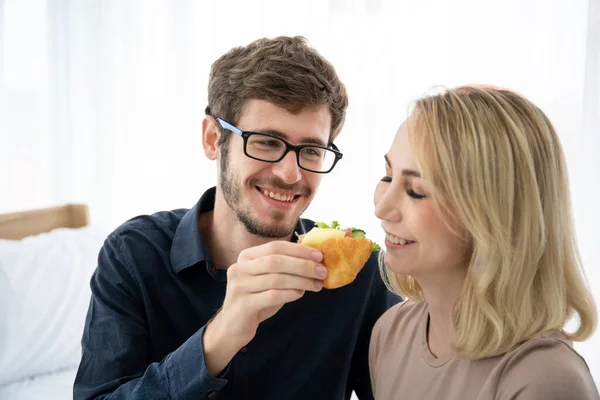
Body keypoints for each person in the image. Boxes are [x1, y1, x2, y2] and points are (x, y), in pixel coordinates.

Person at [74, 36, 399, 400]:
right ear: (213, 139)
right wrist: (220, 337)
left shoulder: (359, 273)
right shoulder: (133, 254)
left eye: (310, 150)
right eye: (266, 142)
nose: (290, 173)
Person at [369, 85, 599, 399]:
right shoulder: (390, 333)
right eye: (387, 176)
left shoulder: (544, 380)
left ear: (492, 214)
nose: (381, 208)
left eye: (416, 190)